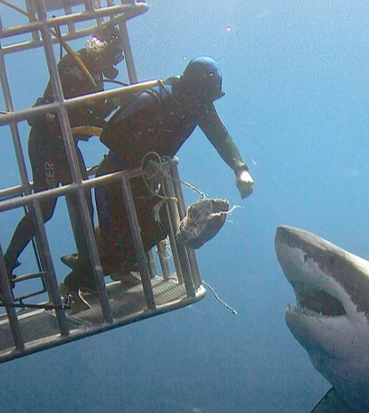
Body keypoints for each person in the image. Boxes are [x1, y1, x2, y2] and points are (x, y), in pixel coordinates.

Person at [65, 56, 254, 290]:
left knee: (157, 228)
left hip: (142, 184)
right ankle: (73, 286)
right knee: (120, 248)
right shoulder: (155, 98)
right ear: (190, 89)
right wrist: (144, 159)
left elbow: (220, 137)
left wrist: (240, 168)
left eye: (208, 99)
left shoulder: (200, 107)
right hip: (113, 183)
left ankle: (113, 261)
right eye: (202, 97)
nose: (204, 105)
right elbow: (110, 133)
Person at [0, 24, 126, 279]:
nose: (113, 62)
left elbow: (90, 113)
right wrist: (107, 110)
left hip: (66, 143)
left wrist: (112, 105)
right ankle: (6, 264)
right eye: (113, 54)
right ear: (102, 48)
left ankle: (87, 260)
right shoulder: (74, 64)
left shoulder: (94, 71)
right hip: (47, 142)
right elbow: (78, 111)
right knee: (45, 209)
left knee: (82, 197)